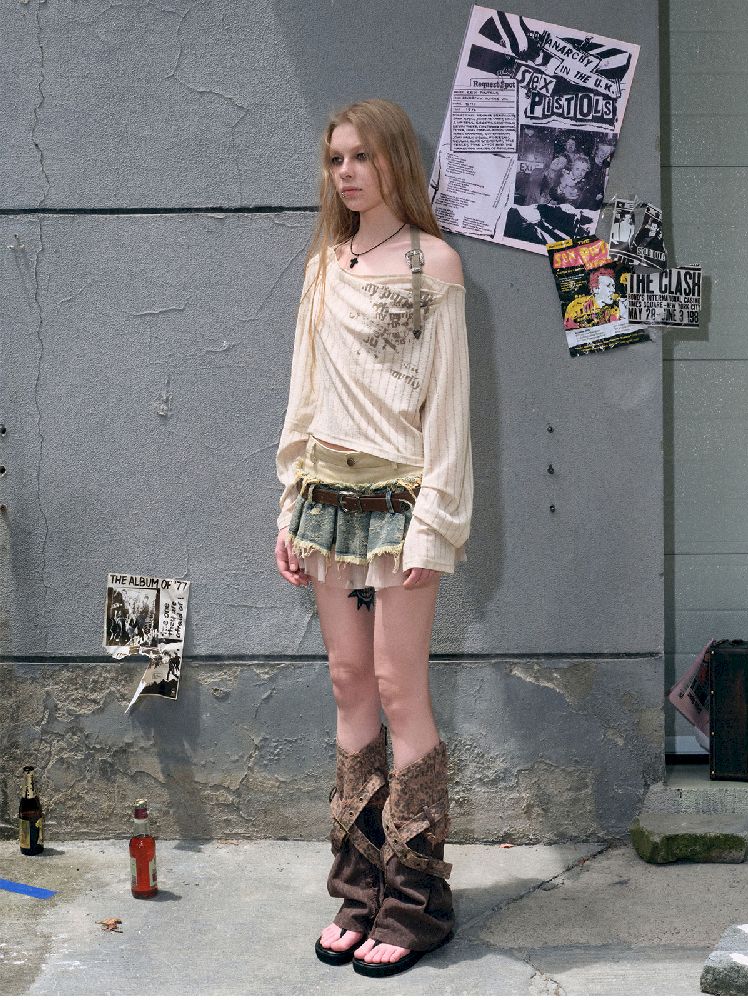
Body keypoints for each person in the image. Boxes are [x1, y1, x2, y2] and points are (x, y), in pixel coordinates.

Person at [274, 98, 473, 978]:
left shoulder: (435, 264)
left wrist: (436, 522)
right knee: (349, 683)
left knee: (399, 689)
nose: (347, 173)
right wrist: (290, 503)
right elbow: (304, 392)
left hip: (401, 503)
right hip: (326, 496)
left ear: (395, 160)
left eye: (361, 156)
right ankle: (359, 890)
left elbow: (450, 409)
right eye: (335, 159)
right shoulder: (325, 265)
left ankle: (417, 902)